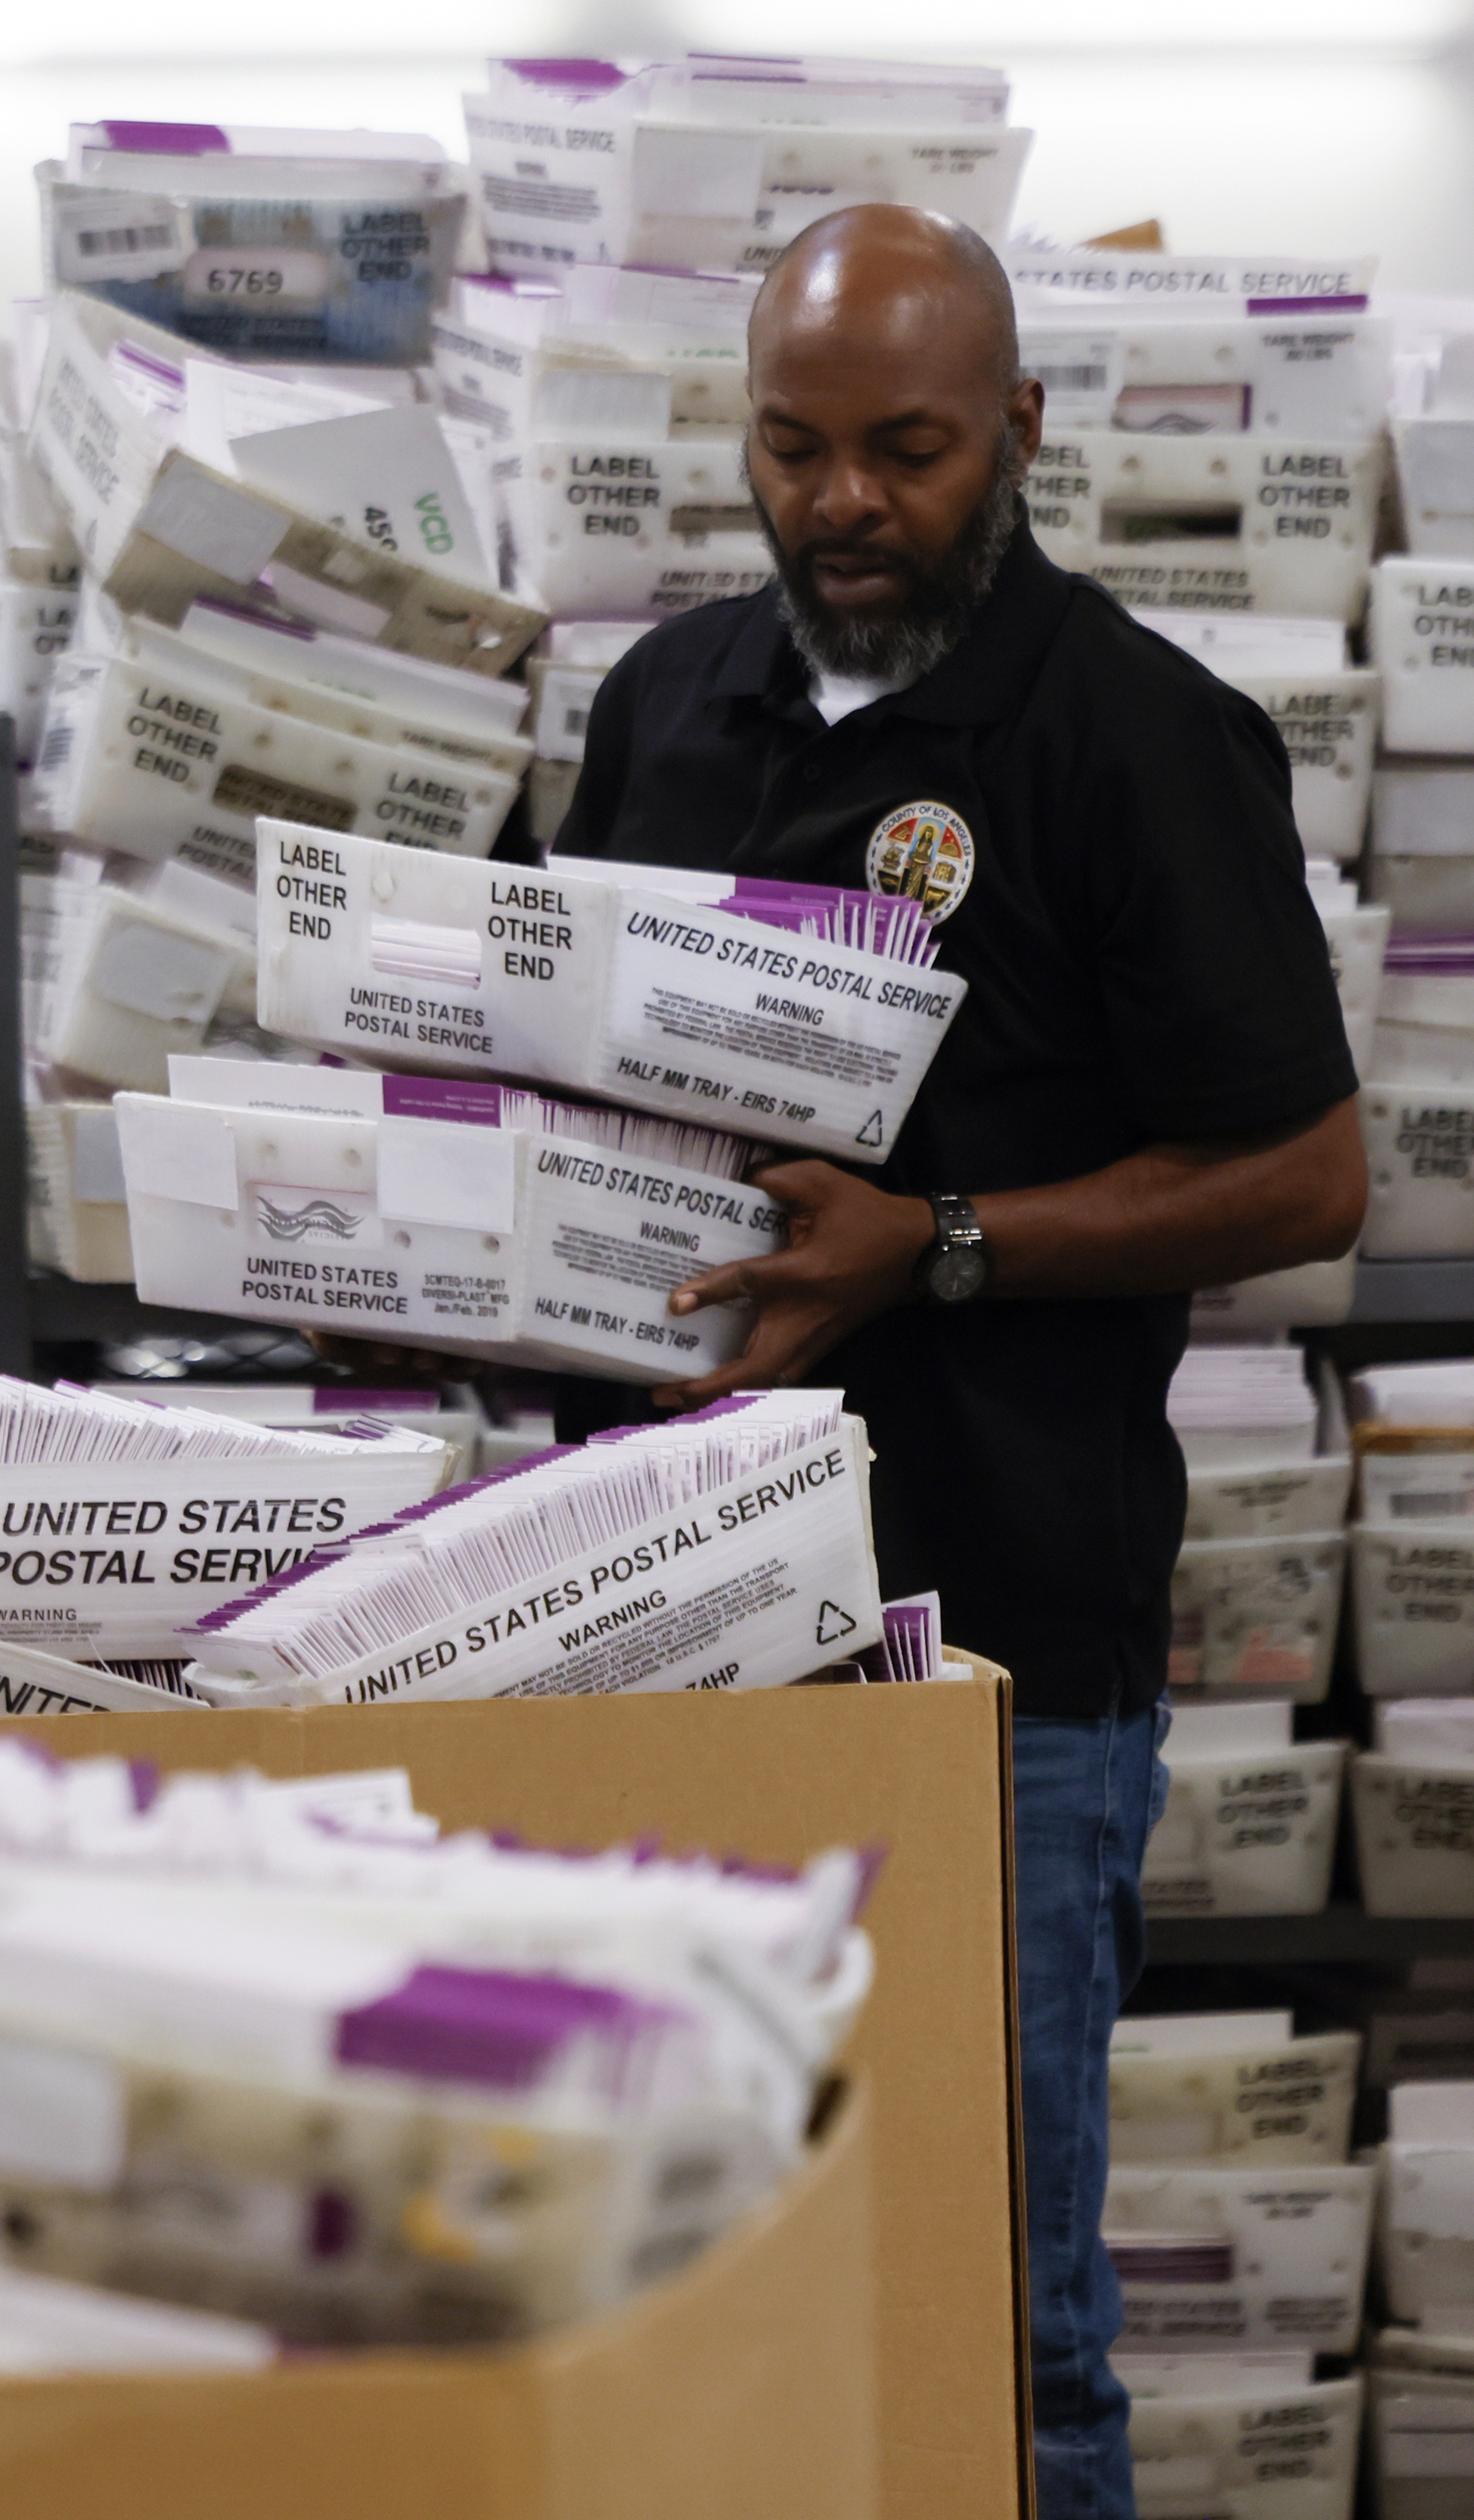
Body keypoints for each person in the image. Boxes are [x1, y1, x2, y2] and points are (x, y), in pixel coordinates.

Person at [554, 205, 1364, 2520]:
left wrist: (941, 1246)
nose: (840, 503)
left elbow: (1304, 1174)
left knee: (995, 2317)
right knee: (672, 2286)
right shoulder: (661, 706)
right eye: (793, 450)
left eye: (901, 450)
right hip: (647, 1632)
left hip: (994, 1655)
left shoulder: (1128, 737)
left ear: (1012, 427)